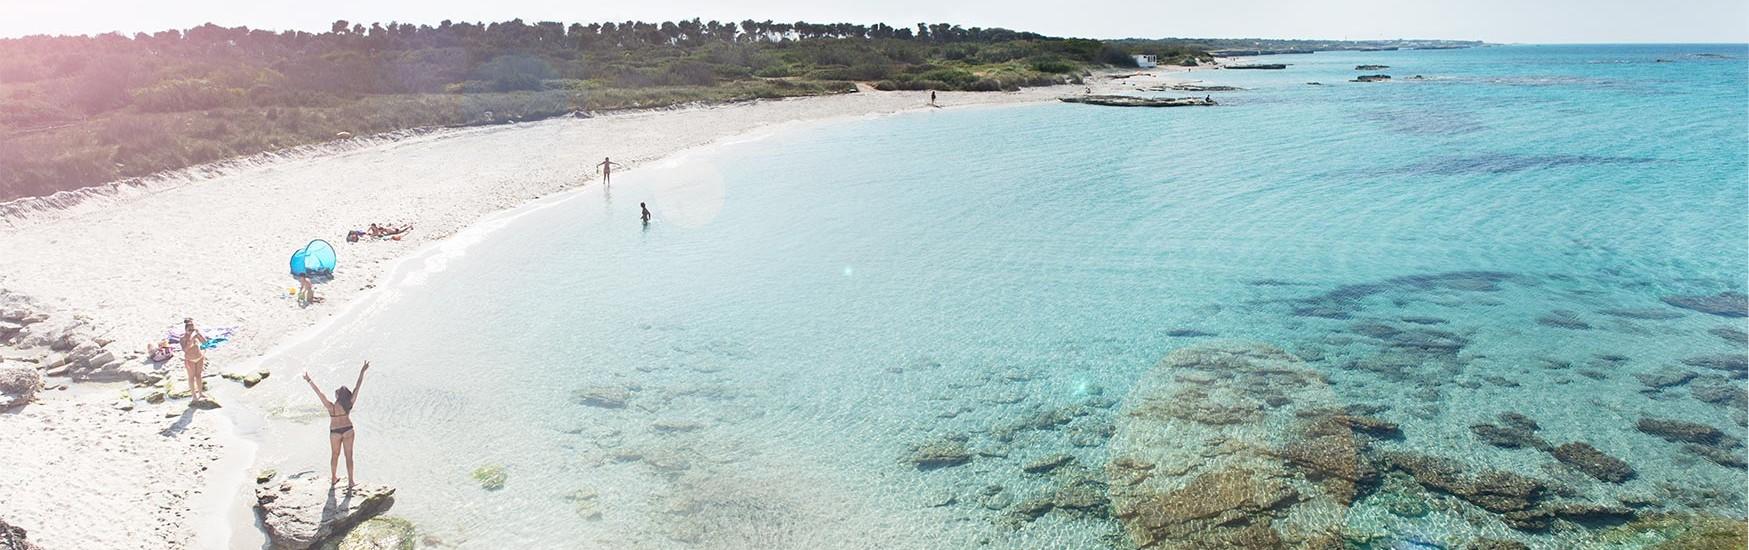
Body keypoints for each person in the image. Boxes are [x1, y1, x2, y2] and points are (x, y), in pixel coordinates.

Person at [303, 361, 370, 489]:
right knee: (349, 456)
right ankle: (351, 481)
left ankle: (333, 478)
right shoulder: (349, 404)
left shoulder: (330, 407)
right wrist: (362, 371)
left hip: (335, 432)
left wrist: (309, 380)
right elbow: (358, 386)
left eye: (337, 392)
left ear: (338, 396)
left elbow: (319, 393)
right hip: (348, 430)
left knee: (335, 455)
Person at [180, 318, 209, 401]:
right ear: (186, 330)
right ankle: (194, 396)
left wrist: (199, 334)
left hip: (199, 357)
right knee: (191, 377)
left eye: (192, 329)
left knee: (199, 376)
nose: (191, 331)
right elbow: (185, 349)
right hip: (190, 360)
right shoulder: (183, 338)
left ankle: (200, 393)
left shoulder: (196, 335)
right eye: (189, 330)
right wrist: (191, 339)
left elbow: (205, 343)